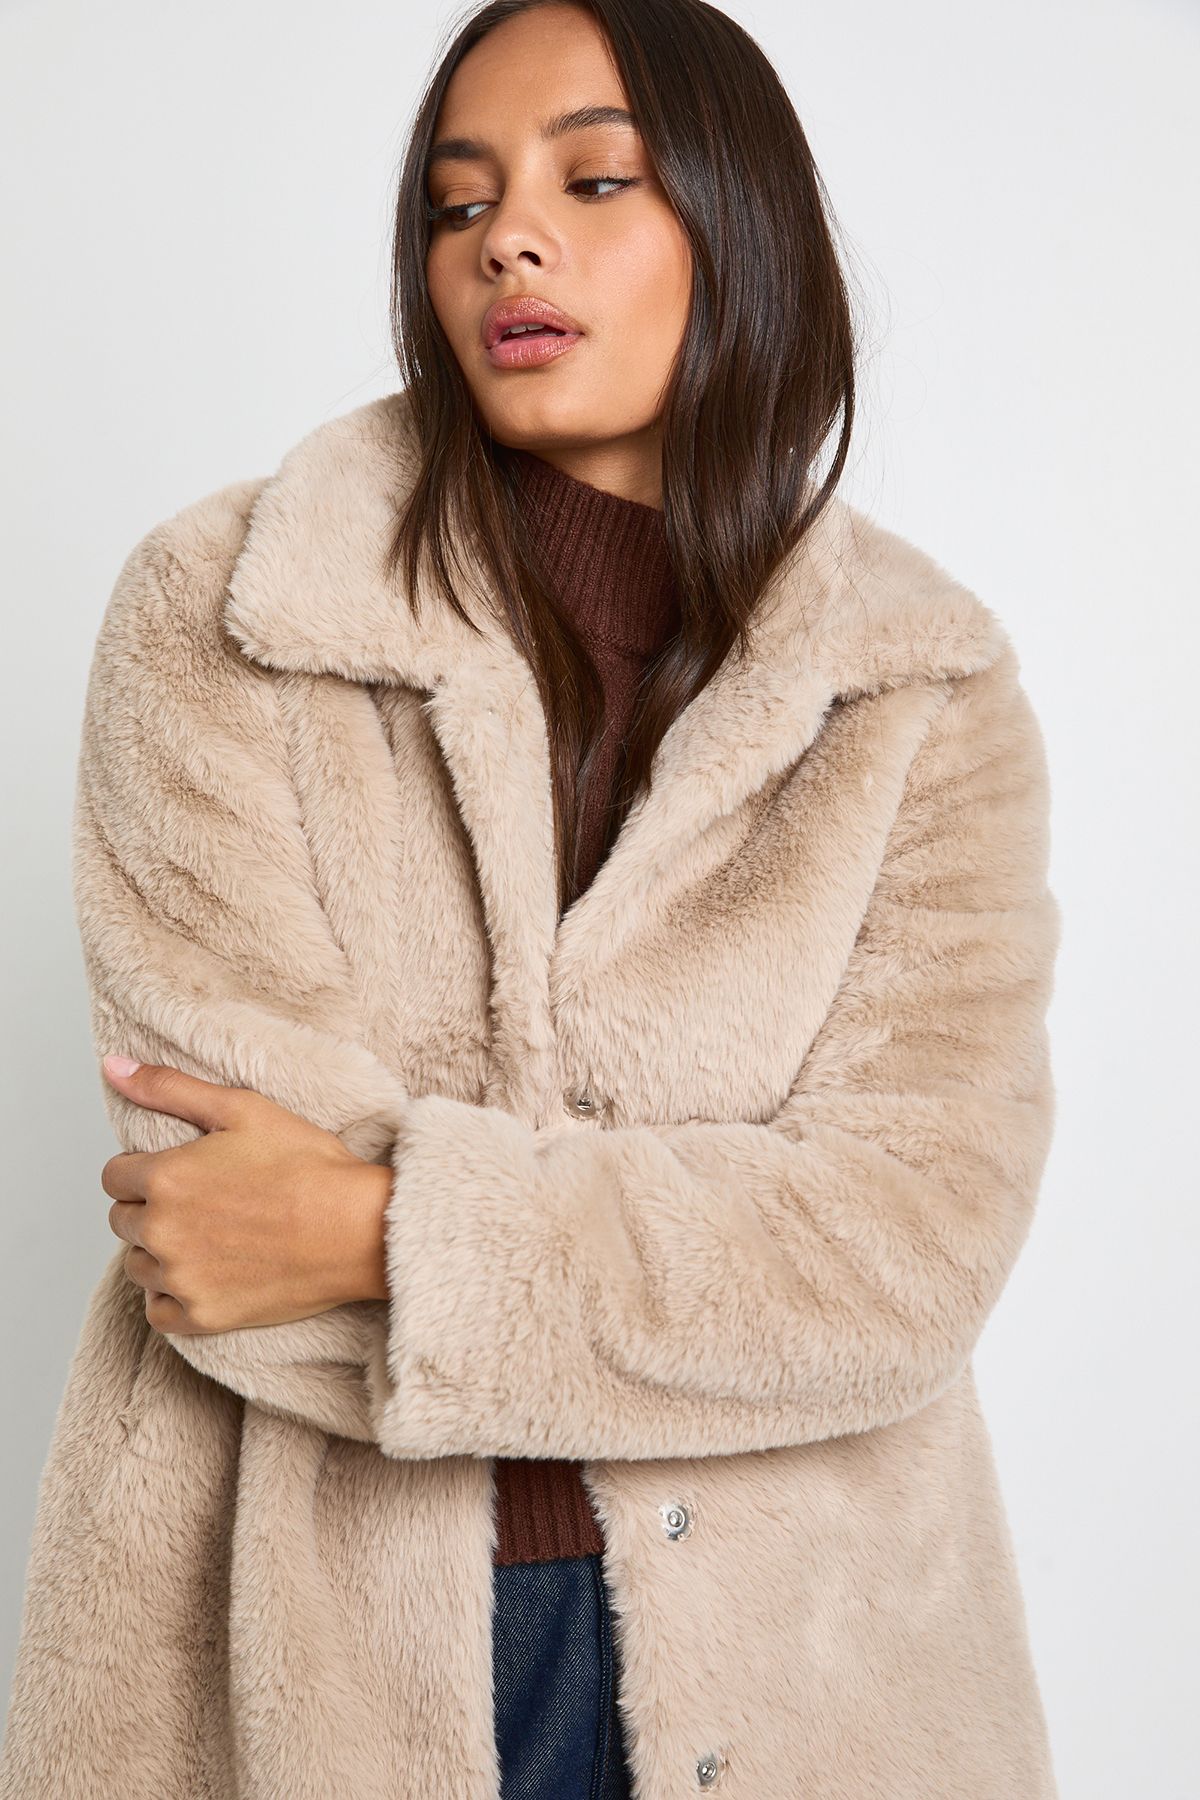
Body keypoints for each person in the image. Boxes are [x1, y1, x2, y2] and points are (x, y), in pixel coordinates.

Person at [0, 2, 1062, 1796]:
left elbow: (913, 1244)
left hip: (815, 1665)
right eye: (458, 200)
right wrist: (693, 1258)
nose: (508, 240)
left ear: (739, 227)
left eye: (596, 180)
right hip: (306, 1633)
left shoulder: (920, 689)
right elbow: (220, 1220)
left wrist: (389, 1234)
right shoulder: (231, 609)